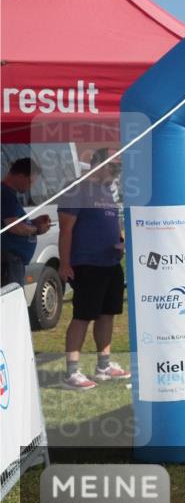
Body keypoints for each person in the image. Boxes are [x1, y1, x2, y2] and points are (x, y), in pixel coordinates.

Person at [58, 149, 130, 390]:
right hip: (87, 264)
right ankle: (72, 372)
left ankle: (104, 366)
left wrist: (120, 241)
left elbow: (109, 223)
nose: (116, 173)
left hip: (110, 262)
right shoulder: (77, 188)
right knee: (82, 316)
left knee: (107, 314)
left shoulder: (106, 191)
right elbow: (66, 229)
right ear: (97, 164)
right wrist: (65, 263)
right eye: (114, 167)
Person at [1, 158, 52, 287]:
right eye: (29, 182)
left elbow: (11, 221)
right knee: (12, 301)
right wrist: (37, 229)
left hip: (12, 261)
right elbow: (13, 227)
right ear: (20, 176)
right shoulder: (5, 193)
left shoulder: (10, 194)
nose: (30, 187)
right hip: (9, 261)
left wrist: (32, 222)